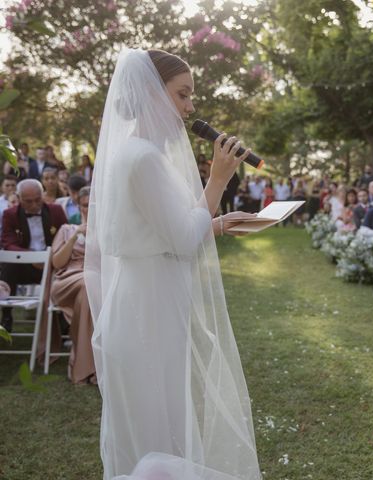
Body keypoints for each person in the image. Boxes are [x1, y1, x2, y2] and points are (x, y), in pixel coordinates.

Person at [84, 48, 260, 479]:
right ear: (150, 91)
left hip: (149, 298)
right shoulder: (142, 158)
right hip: (147, 308)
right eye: (182, 95)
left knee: (160, 425)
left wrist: (214, 224)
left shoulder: (141, 154)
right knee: (152, 431)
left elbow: (167, 230)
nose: (190, 107)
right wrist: (218, 179)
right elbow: (181, 240)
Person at [0, 179, 67, 332]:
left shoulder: (55, 211)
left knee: (65, 269)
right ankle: (6, 315)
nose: (35, 205)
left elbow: (66, 237)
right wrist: (31, 257)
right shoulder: (10, 214)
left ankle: (62, 321)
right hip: (24, 267)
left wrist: (51, 258)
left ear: (42, 194)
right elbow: (8, 242)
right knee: (9, 262)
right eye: (28, 201)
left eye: (38, 200)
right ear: (19, 198)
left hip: (52, 265)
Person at [50, 186, 96, 384]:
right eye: (86, 205)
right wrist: (76, 235)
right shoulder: (66, 229)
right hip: (67, 279)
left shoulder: (108, 232)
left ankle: (81, 366)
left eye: (94, 206)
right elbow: (57, 263)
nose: (90, 209)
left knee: (89, 289)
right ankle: (89, 370)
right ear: (79, 206)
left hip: (94, 284)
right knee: (89, 285)